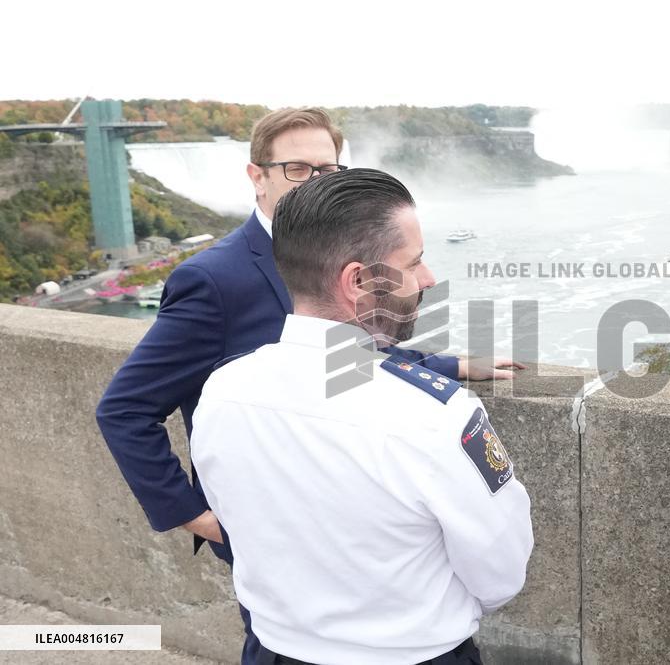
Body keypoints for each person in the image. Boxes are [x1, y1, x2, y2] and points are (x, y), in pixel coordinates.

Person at [95, 107, 519, 663]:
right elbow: (125, 408)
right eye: (299, 168)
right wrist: (191, 513)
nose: (316, 183)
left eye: (329, 171)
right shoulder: (213, 278)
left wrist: (451, 365)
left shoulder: (343, 256)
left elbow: (348, 356)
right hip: (275, 533)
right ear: (258, 176)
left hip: (363, 532)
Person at [191, 168, 533, 665]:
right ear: (358, 281)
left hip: (271, 650)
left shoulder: (222, 391)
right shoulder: (434, 416)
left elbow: (234, 518)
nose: (428, 279)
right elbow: (500, 570)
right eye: (414, 263)